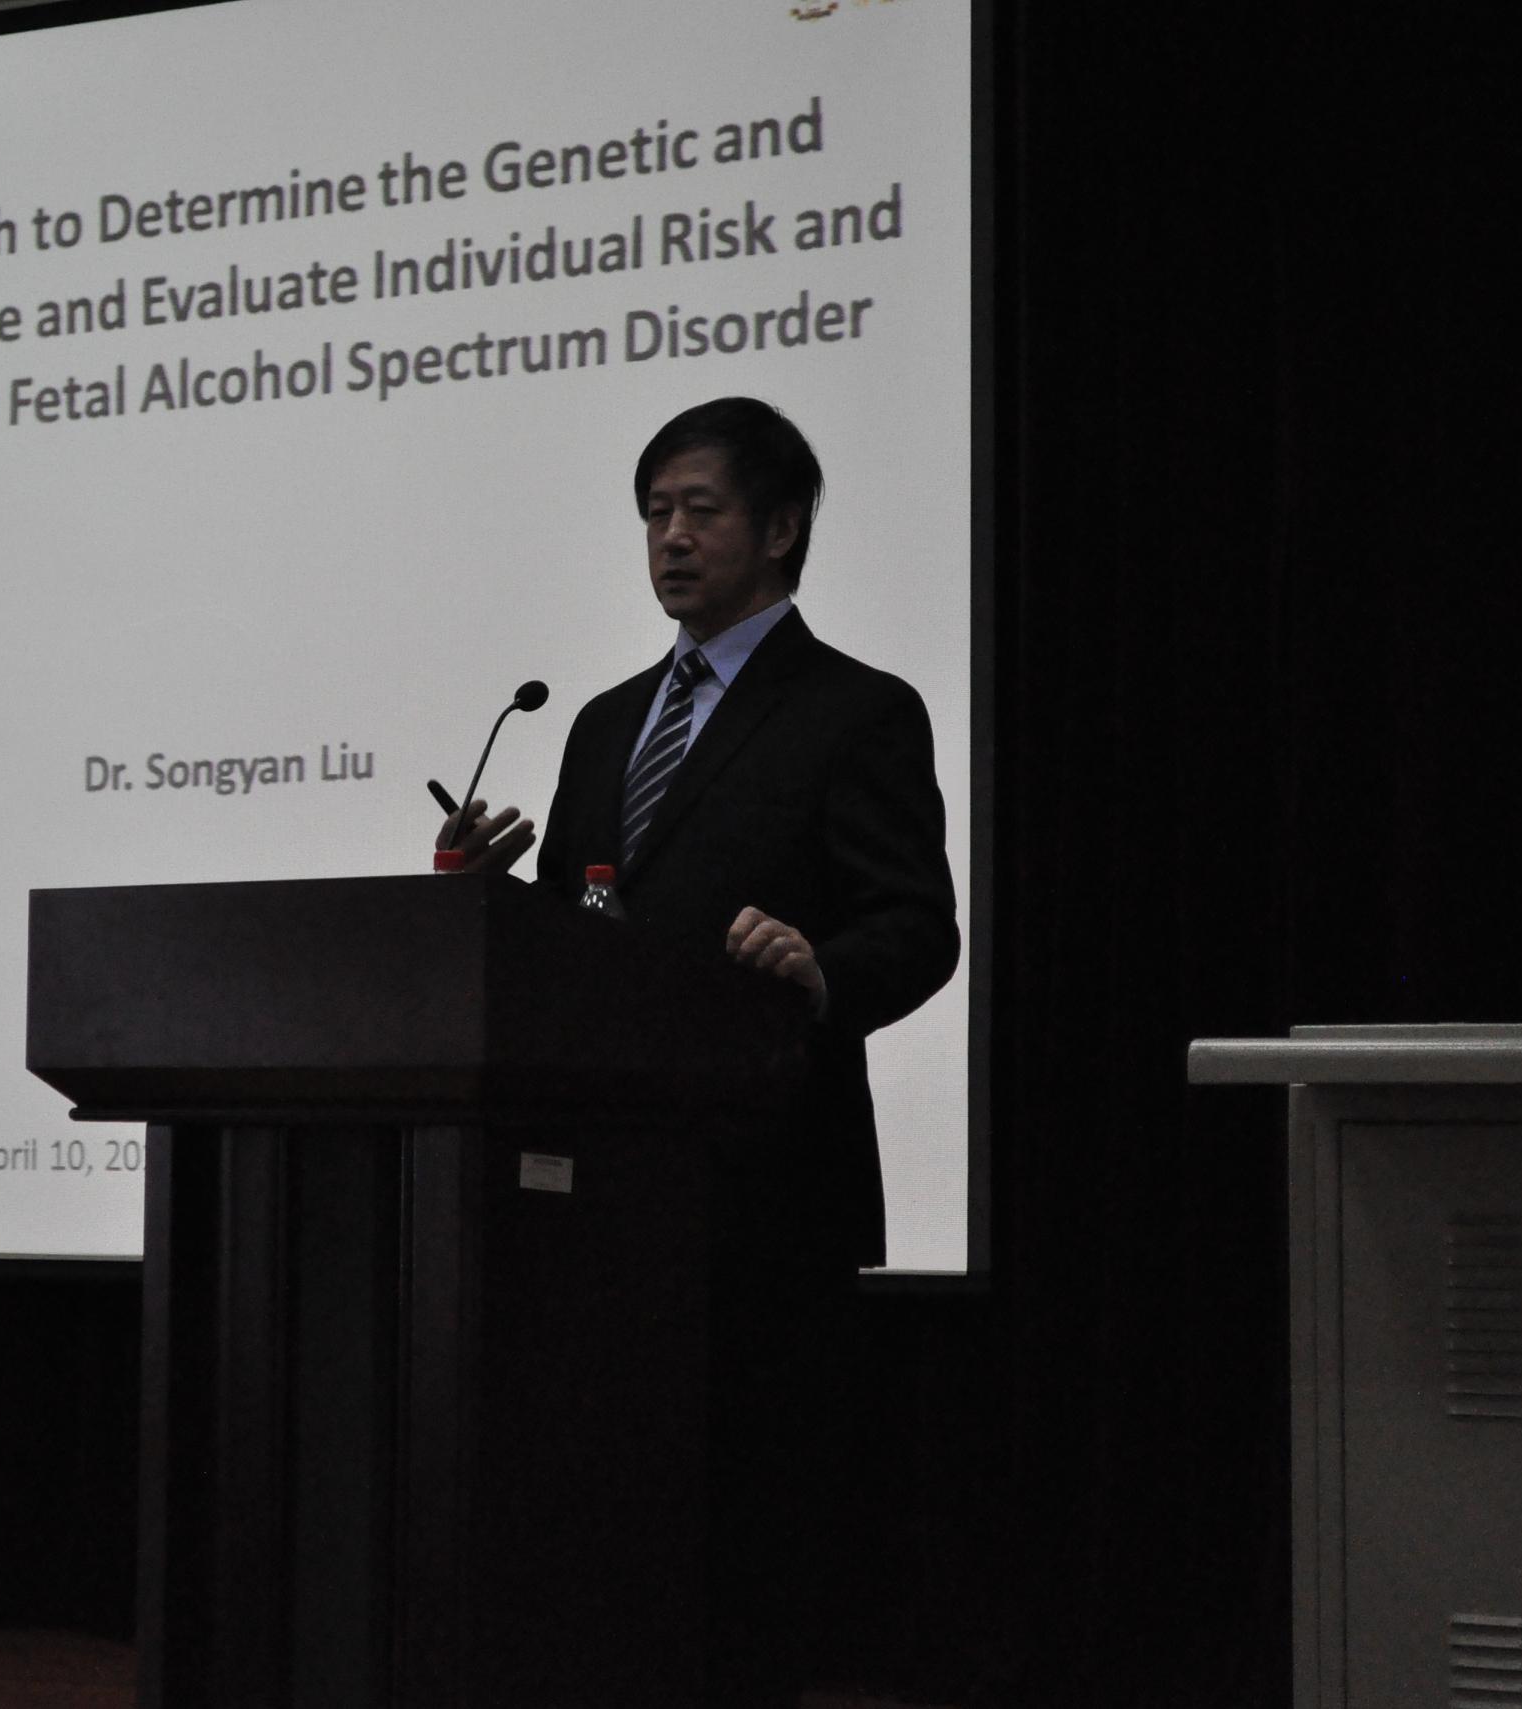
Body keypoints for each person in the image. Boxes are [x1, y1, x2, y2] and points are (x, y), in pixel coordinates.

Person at [440, 395, 959, 1702]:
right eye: (654, 513)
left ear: (779, 528)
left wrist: (821, 968)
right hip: (595, 1207)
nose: (669, 537)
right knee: (606, 1548)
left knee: (749, 1553)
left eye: (699, 510)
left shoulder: (856, 709)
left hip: (768, 1188)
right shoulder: (602, 722)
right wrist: (481, 905)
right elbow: (579, 938)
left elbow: (917, 925)